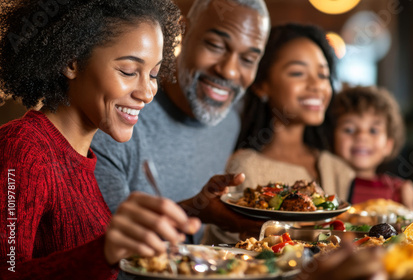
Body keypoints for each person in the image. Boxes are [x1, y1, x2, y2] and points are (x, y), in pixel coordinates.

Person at [0, 0, 201, 279]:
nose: (147, 92)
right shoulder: (23, 148)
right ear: (71, 61)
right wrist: (102, 252)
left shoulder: (82, 158)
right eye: (129, 71)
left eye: (154, 74)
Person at [90, 0, 271, 242]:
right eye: (215, 45)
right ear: (181, 32)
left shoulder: (229, 123)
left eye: (248, 60)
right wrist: (195, 212)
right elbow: (101, 254)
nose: (229, 71)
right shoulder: (120, 117)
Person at [202, 23, 355, 245]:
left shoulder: (338, 168)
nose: (316, 85)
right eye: (298, 73)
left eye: (323, 75)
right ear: (262, 84)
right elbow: (224, 248)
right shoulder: (246, 168)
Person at [331, 85, 413, 210]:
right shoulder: (325, 185)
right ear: (332, 137)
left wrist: (409, 204)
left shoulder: (400, 190)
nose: (361, 136)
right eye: (349, 129)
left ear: (388, 145)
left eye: (373, 130)